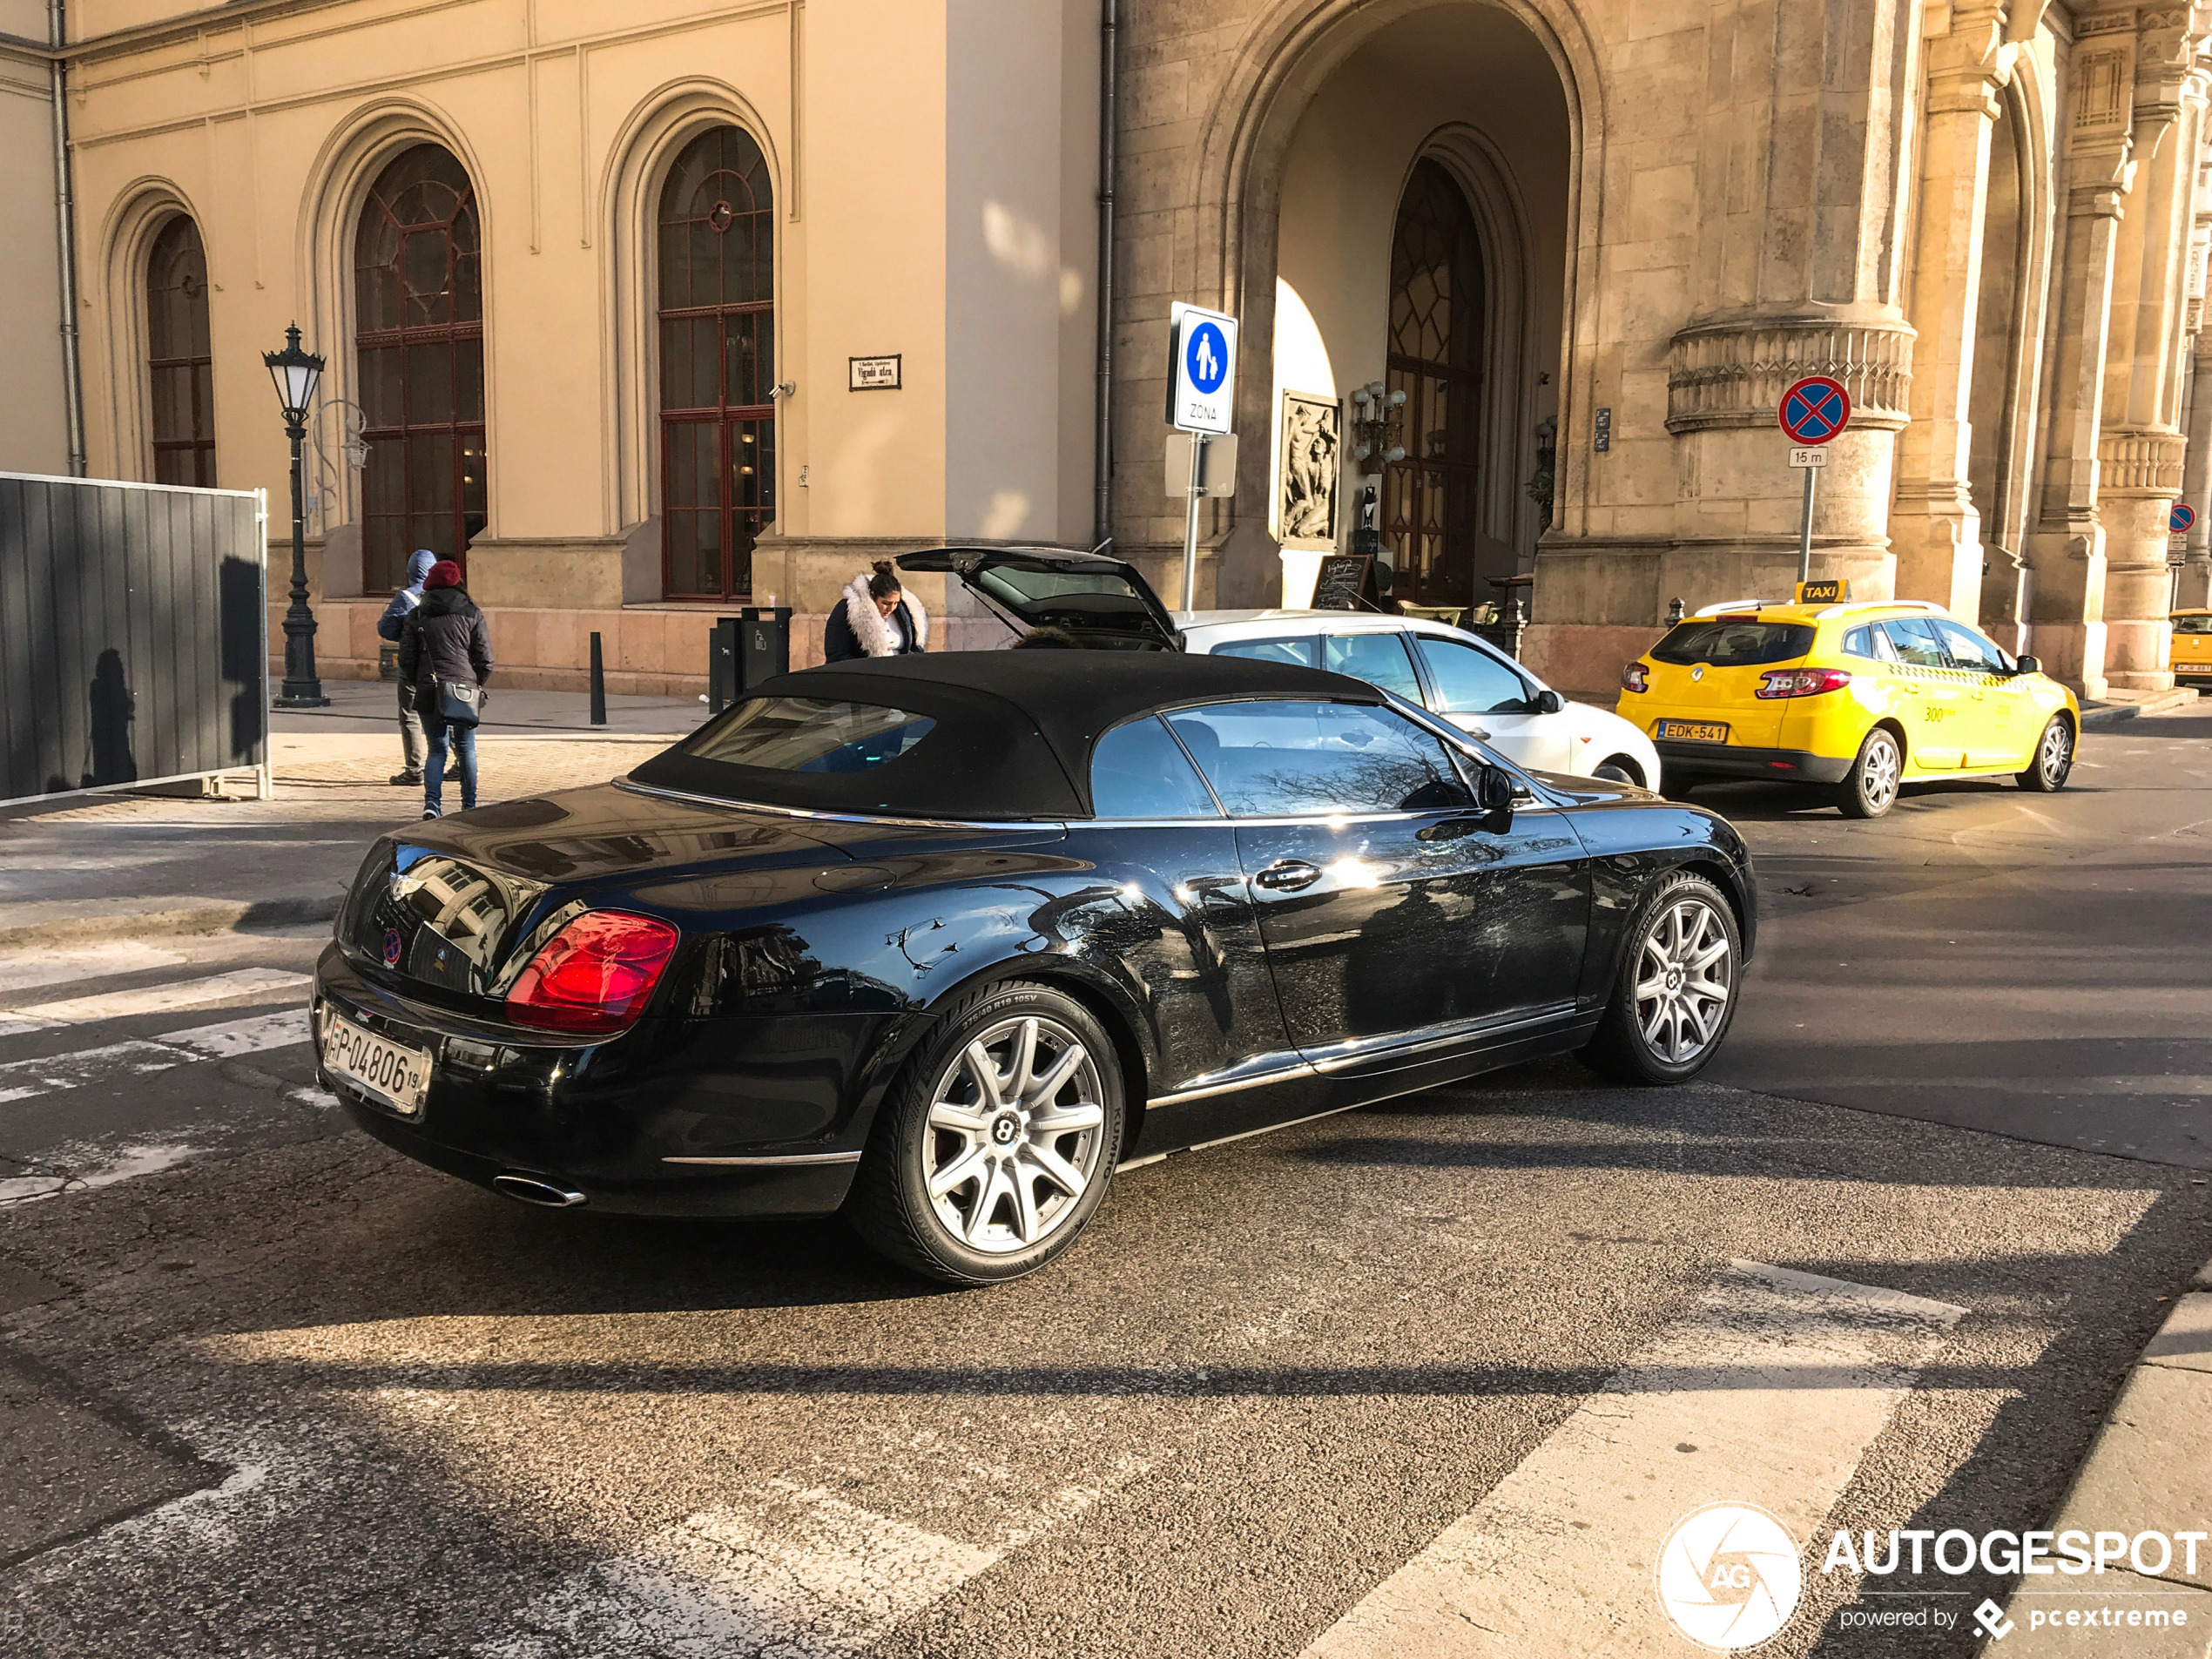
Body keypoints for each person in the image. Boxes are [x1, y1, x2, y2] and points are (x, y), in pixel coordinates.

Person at [397, 560, 492, 819]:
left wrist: (419, 681)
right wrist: (476, 683)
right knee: (466, 749)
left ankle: (432, 805)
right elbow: (485, 658)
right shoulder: (472, 613)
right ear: (458, 582)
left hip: (429, 688)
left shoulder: (416, 615)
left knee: (436, 749)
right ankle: (469, 806)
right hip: (463, 690)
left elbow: (406, 659)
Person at [374, 550, 451, 787]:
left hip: (413, 664)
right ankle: (460, 762)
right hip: (445, 663)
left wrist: (405, 635)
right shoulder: (447, 595)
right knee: (448, 712)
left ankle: (414, 768)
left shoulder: (406, 597)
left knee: (410, 715)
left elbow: (385, 629)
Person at [824, 561, 928, 662]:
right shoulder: (848, 609)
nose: (891, 609)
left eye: (896, 603)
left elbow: (915, 648)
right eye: (885, 603)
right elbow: (836, 652)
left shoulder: (905, 612)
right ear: (873, 595)